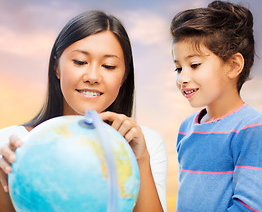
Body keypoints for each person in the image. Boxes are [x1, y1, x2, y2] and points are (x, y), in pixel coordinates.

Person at [0, 11, 167, 212]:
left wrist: (140, 160)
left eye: (108, 65)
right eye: (80, 62)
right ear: (57, 67)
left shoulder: (145, 143)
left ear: (124, 77)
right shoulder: (12, 143)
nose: (93, 76)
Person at [170, 0, 262, 211]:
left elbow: (249, 207)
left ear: (233, 65)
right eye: (178, 68)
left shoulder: (254, 127)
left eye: (194, 65)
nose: (182, 78)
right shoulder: (186, 128)